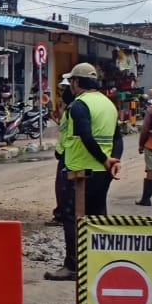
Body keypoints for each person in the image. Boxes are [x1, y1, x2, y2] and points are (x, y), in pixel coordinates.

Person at [45, 61, 122, 282]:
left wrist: (105, 159)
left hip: (79, 171)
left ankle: (73, 266)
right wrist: (113, 161)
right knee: (97, 216)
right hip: (102, 172)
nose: (70, 85)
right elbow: (117, 138)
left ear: (77, 82)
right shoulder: (108, 104)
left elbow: (85, 136)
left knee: (71, 217)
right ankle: (100, 263)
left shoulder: (80, 105)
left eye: (72, 81)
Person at [49, 73, 74, 225]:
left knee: (64, 186)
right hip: (66, 151)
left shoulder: (74, 109)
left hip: (68, 153)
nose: (62, 93)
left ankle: (63, 215)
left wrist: (61, 150)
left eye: (65, 89)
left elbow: (68, 134)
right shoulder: (70, 109)